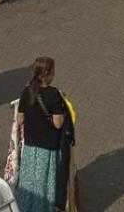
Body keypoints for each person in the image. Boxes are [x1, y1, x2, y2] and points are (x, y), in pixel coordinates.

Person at [14, 55, 77, 212]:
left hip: (30, 148)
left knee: (29, 183)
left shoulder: (26, 91)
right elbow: (58, 124)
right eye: (53, 71)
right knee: (45, 185)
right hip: (48, 148)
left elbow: (19, 119)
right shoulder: (54, 94)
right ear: (47, 73)